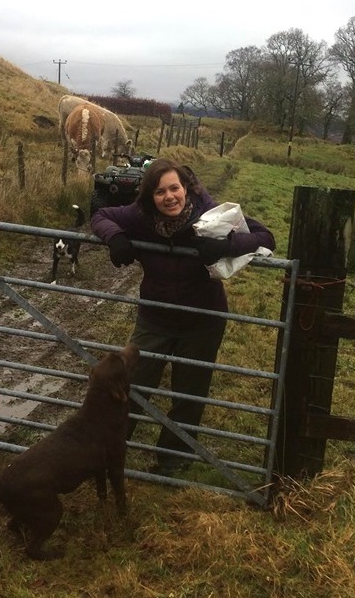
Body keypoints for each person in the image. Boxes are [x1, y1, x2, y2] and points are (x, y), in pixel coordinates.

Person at [90, 158, 276, 475]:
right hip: (155, 319)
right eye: (160, 192)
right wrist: (116, 237)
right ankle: (111, 450)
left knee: (189, 394)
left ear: (185, 188)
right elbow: (101, 215)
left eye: (174, 188)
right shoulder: (140, 217)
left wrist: (224, 245)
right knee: (131, 385)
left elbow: (265, 237)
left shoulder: (210, 214)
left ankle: (172, 461)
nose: (169, 197)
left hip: (202, 321)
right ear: (149, 197)